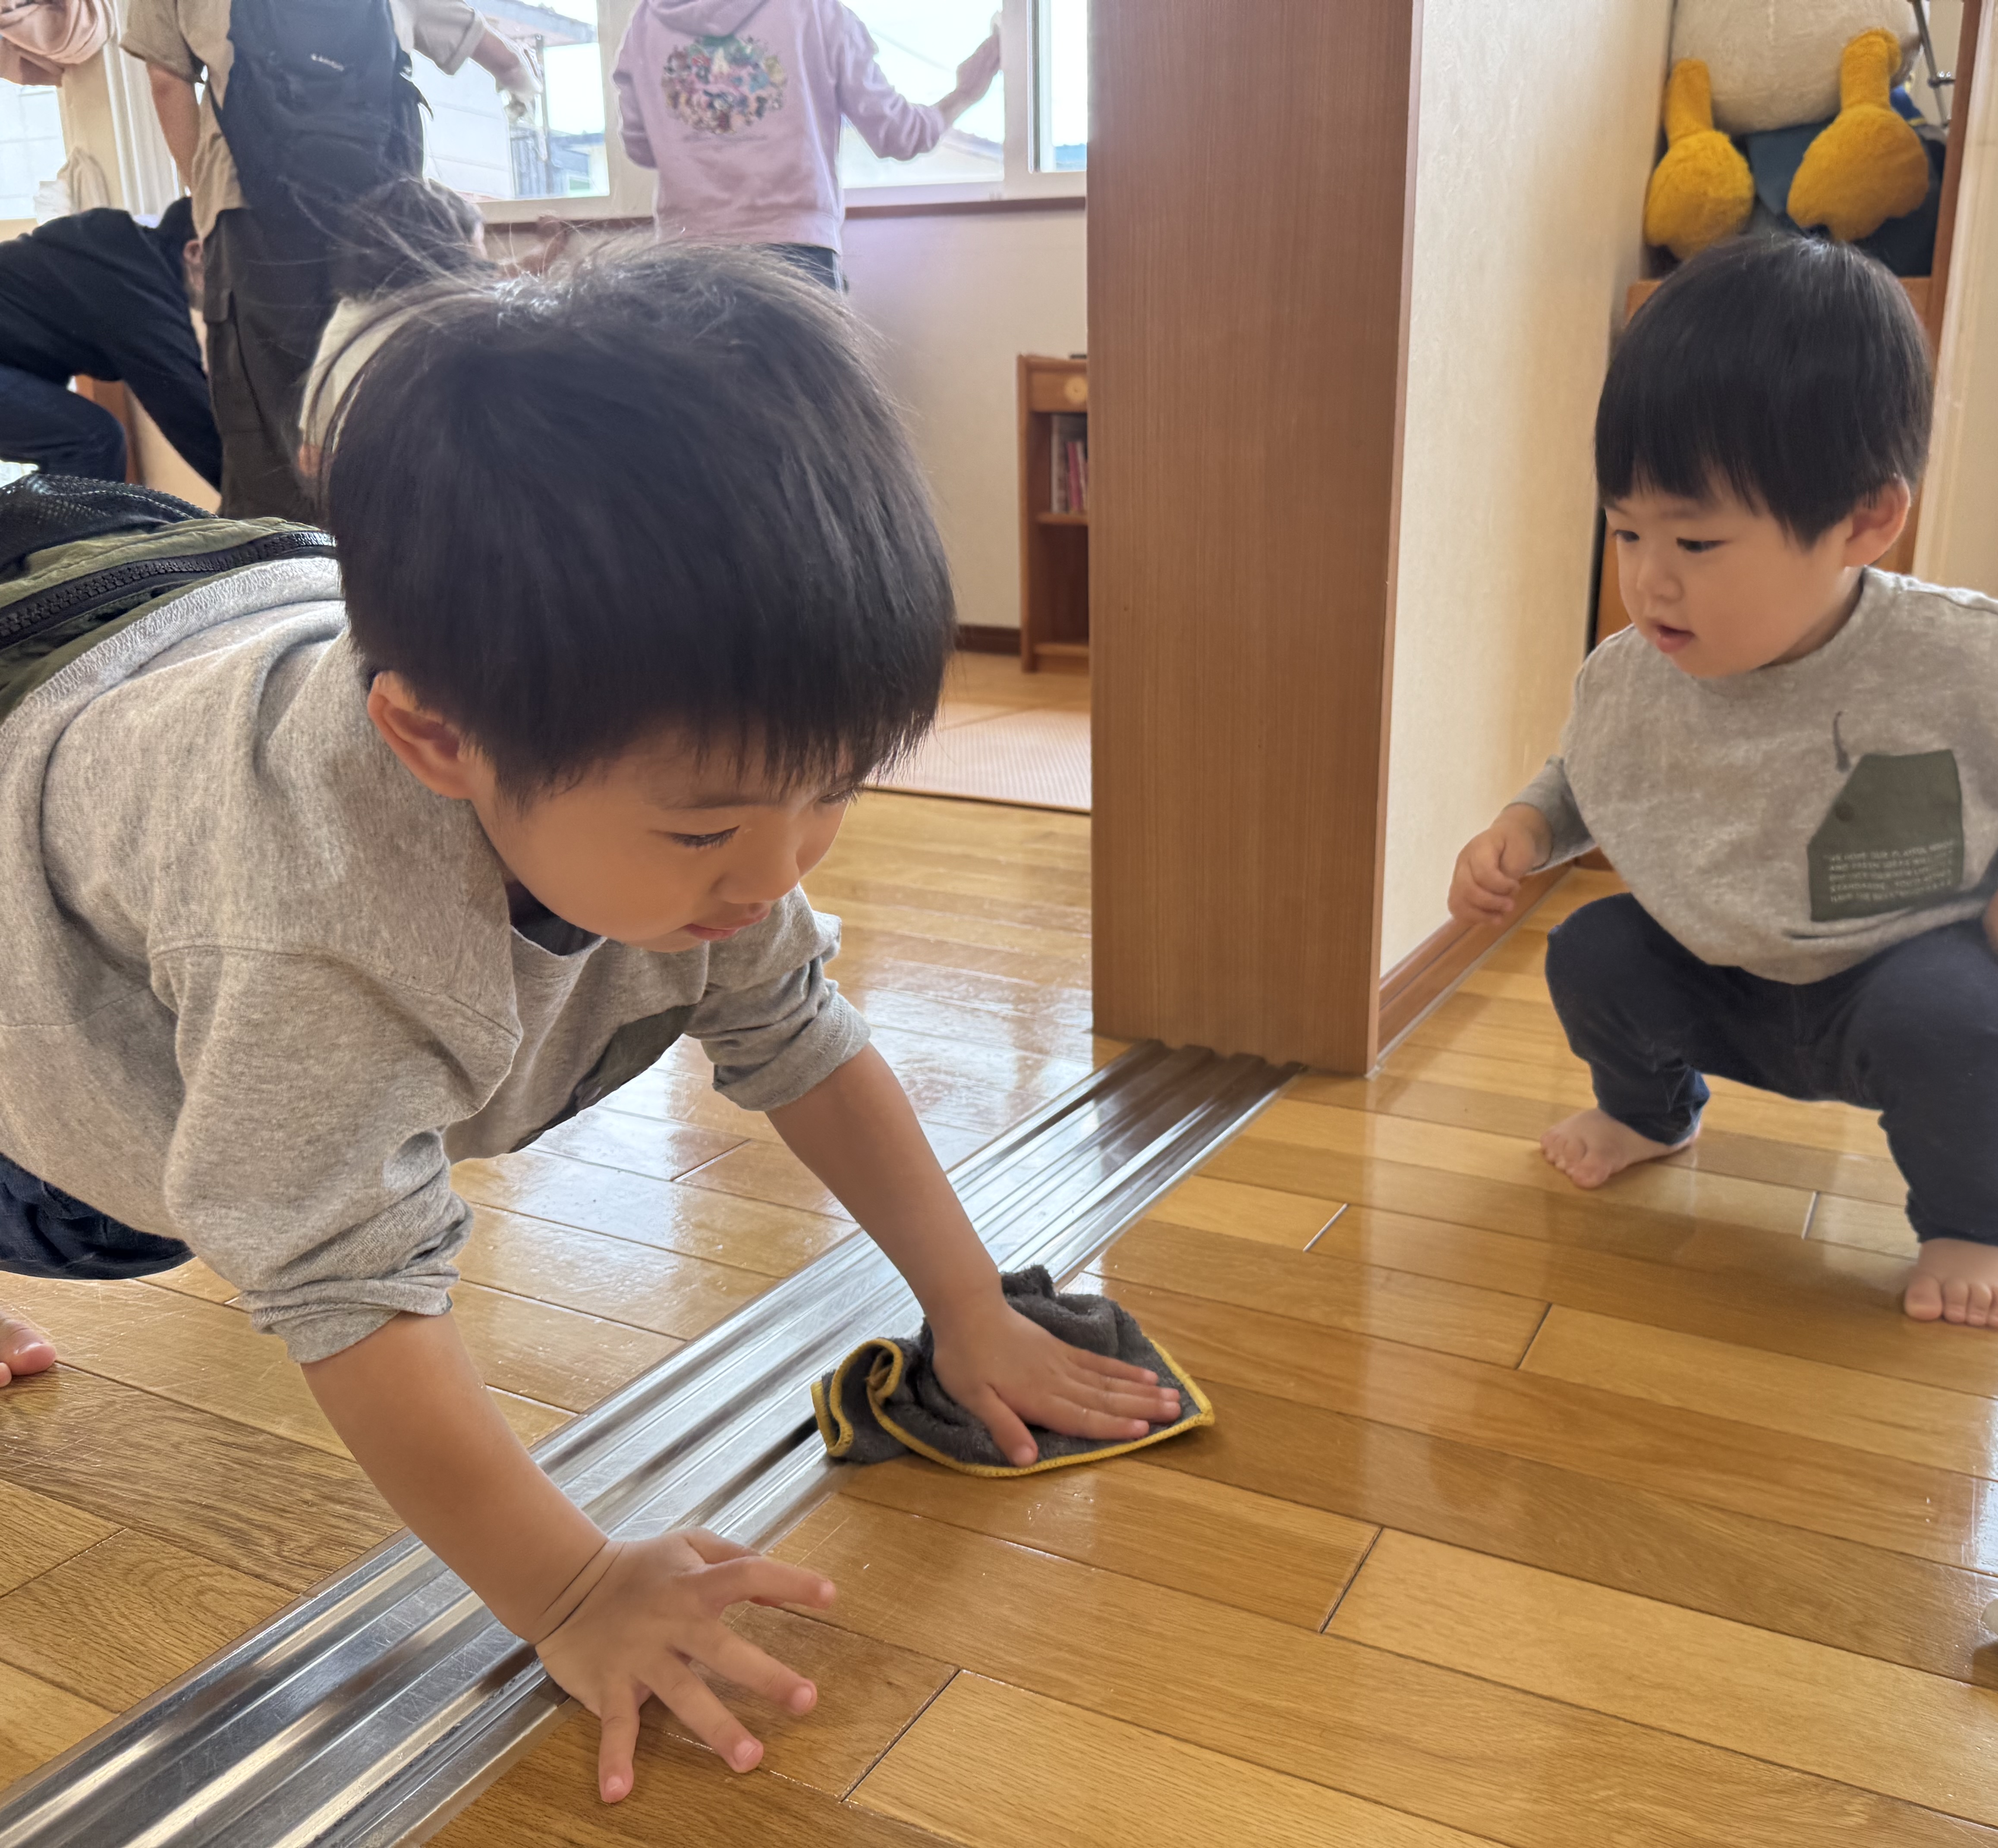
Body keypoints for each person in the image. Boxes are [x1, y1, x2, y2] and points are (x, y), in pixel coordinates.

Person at [0, 242, 1181, 1801]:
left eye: (832, 792)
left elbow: (802, 1038)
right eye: (705, 830)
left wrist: (973, 1305)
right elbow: (344, 1283)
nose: (774, 874)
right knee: (115, 1221)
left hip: (183, 604)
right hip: (51, 861)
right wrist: (565, 1589)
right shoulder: (310, 915)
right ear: (436, 740)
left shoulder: (692, 790)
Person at [1447, 235, 1998, 1331]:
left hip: (1897, 979)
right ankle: (1651, 1115)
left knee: (1961, 1024)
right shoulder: (1635, 667)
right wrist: (1527, 827)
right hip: (1726, 976)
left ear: (1865, 521)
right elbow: (1593, 766)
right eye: (1627, 530)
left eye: (1698, 542)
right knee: (1593, 952)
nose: (1649, 580)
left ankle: (1977, 1224)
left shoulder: (1955, 655)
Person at [123, 0, 538, 521]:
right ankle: (401, 552)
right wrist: (521, 89)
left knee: (271, 440)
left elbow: (167, 82)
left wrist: (203, 196)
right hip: (385, 221)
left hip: (251, 217)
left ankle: (295, 561)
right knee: (395, 397)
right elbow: (502, 57)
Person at [613, 0, 1000, 291]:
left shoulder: (646, 21)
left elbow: (639, 147)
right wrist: (964, 95)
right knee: (802, 381)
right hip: (795, 251)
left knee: (695, 383)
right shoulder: (816, 11)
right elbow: (899, 135)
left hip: (684, 255)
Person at [0, 197, 220, 486]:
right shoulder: (141, 288)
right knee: (93, 440)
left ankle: (54, 516)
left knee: (87, 437)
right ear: (196, 252)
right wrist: (261, 499)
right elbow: (191, 416)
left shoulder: (127, 258)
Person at [297, 176, 492, 474]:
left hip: (364, 484)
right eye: (480, 245)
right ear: (455, 249)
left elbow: (312, 457)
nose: (486, 260)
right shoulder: (454, 317)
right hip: (440, 482)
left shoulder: (348, 315)